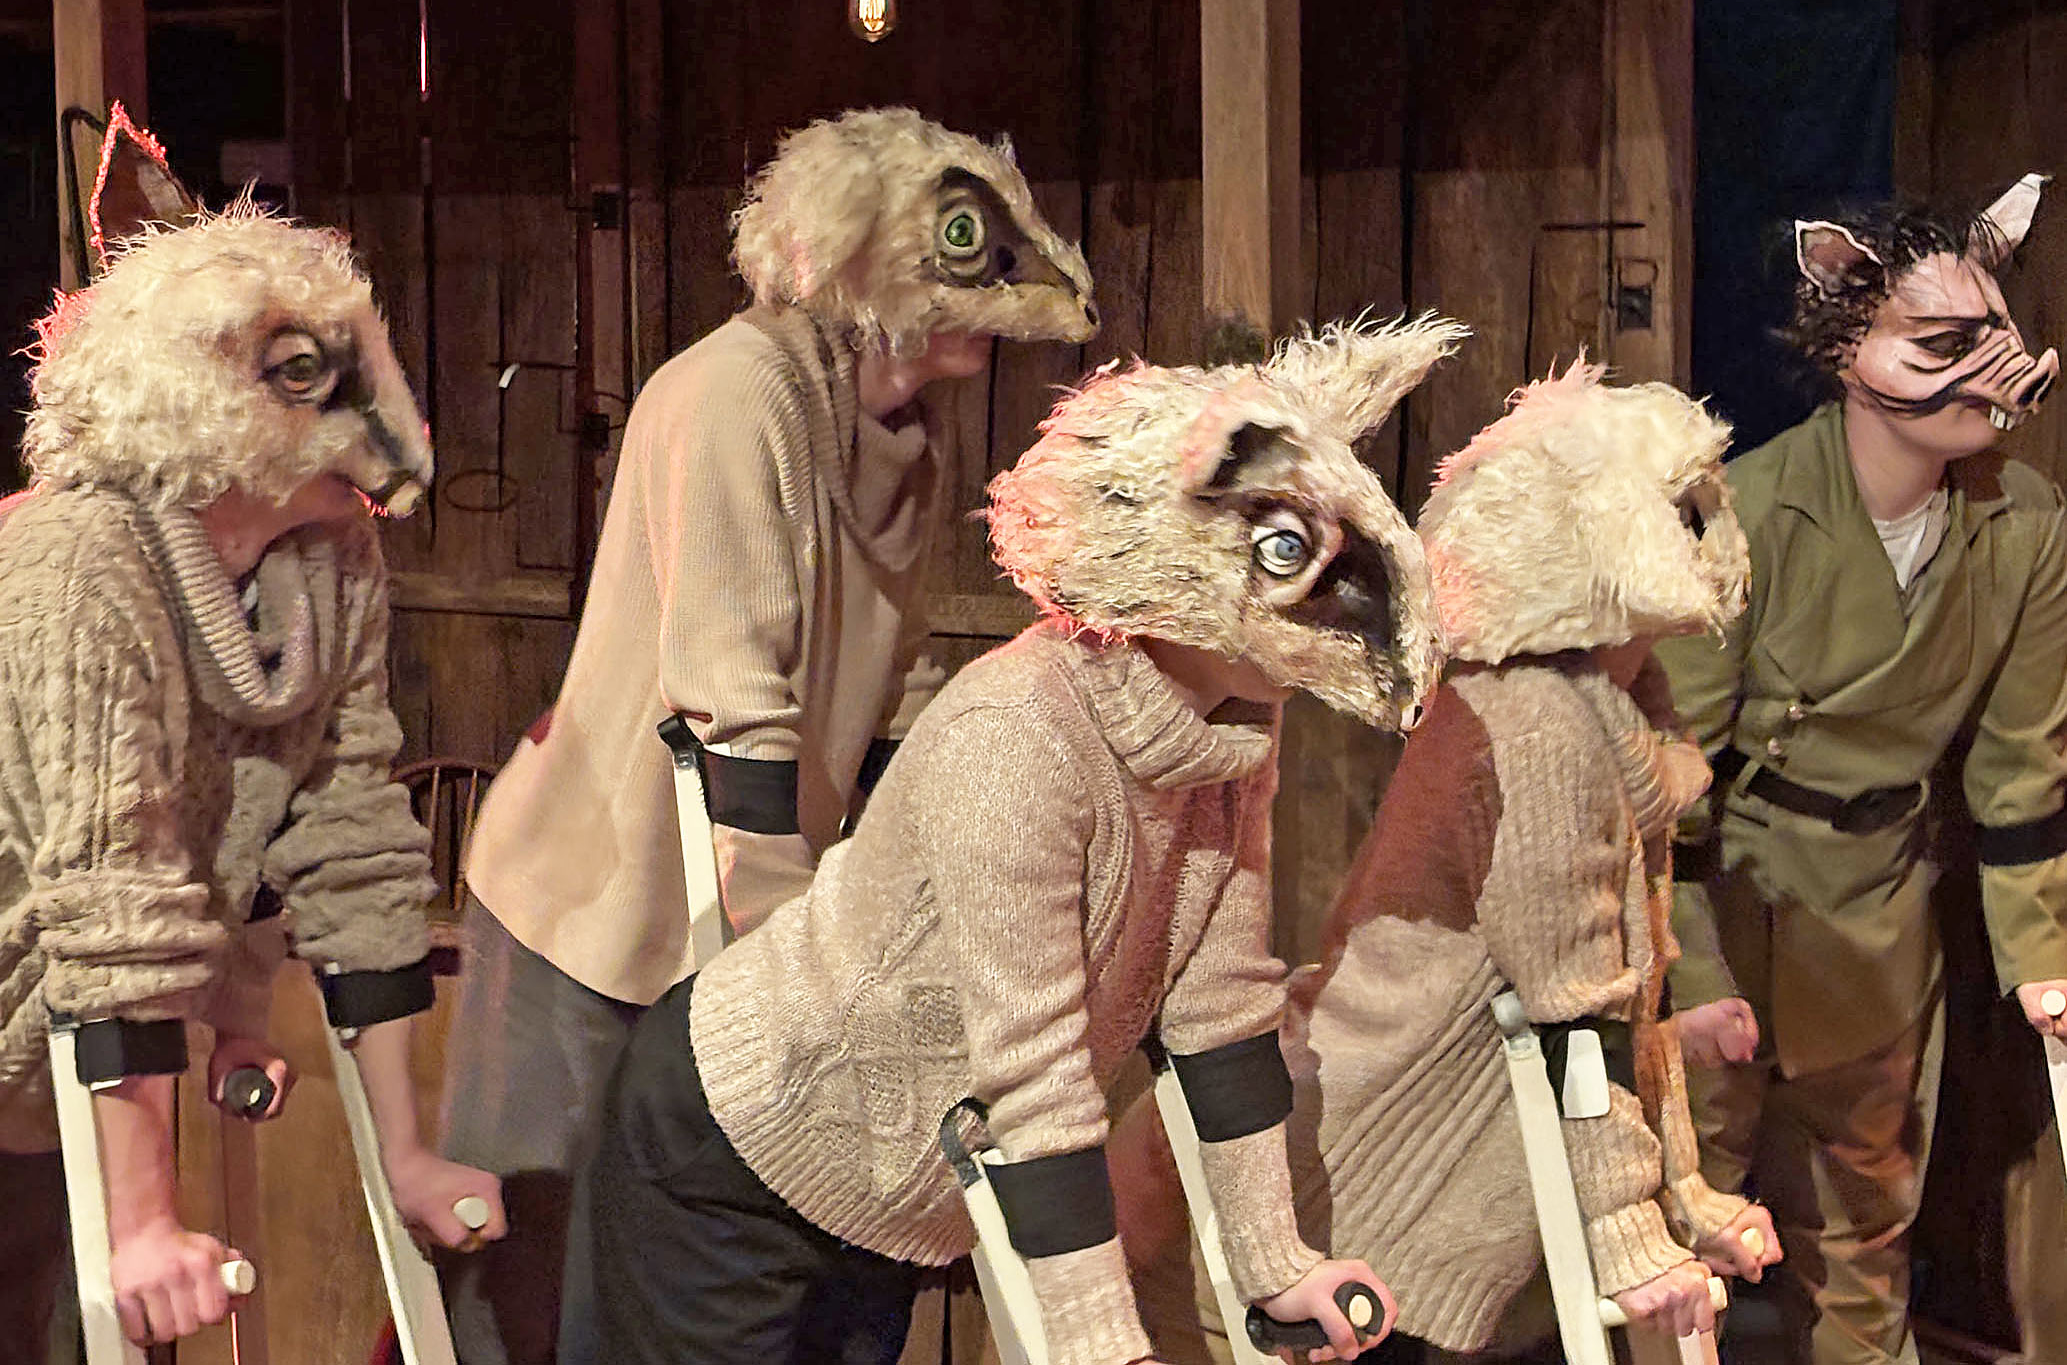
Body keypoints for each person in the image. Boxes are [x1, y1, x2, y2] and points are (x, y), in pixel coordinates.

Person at [586, 318, 1460, 1365]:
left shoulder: (1232, 724)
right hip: (735, 1159)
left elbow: (1221, 1007)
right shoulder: (1019, 736)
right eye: (1280, 553)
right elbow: (1033, 1074)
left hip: (888, 1202)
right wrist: (1101, 1343)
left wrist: (1277, 1263)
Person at [437, 106, 1097, 1364]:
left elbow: (866, 680)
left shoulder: (909, 427)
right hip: (597, 898)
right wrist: (790, 974)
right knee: (539, 1273)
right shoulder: (737, 390)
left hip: (742, 896)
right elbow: (731, 703)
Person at [1116, 361, 1781, 1363]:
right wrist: (1639, 1238)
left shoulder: (1614, 718)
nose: (1707, 538)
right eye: (1676, 510)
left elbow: (1610, 999)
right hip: (1382, 1166)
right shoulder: (1537, 724)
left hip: (1460, 1176)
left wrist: (1680, 1196)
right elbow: (1576, 1015)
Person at [0, 156, 506, 1357]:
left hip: (81, 1080)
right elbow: (113, 882)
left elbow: (350, 836)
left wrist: (407, 1150)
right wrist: (142, 1221)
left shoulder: (326, 565)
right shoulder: (77, 561)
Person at [1658, 176, 2067, 1365]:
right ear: (1851, 346)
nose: (1992, 367)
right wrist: (1686, 966)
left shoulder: (2025, 525)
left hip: (1882, 904)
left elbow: (2020, 763)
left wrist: (2043, 956)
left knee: (1864, 1216)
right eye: (1943, 342)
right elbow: (1672, 764)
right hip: (1736, 889)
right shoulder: (1751, 509)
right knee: (1692, 1211)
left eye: (1995, 335)